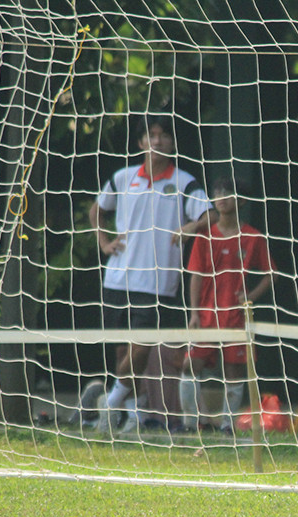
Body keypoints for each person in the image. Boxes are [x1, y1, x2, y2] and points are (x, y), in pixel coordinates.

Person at [89, 114, 216, 435]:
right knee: (122, 352)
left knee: (141, 349)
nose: (157, 141)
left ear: (172, 142)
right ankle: (134, 418)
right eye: (151, 135)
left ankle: (110, 404)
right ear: (140, 142)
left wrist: (191, 225)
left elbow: (210, 214)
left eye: (163, 135)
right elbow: (97, 209)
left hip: (158, 282)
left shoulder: (185, 181)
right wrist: (104, 241)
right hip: (117, 278)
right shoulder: (123, 177)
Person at [177, 176, 274, 434]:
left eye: (228, 193)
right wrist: (194, 312)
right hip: (207, 315)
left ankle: (228, 425)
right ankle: (192, 423)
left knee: (234, 371)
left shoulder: (253, 237)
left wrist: (250, 295)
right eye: (218, 192)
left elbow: (271, 274)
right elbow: (196, 275)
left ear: (241, 201)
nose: (221, 198)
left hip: (236, 316)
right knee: (190, 365)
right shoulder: (205, 236)